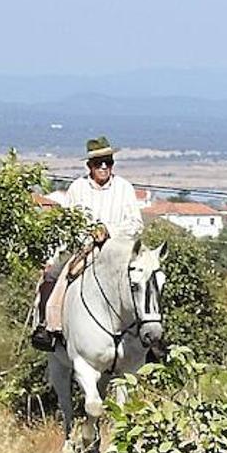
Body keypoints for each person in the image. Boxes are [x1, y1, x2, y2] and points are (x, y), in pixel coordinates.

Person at [30, 136, 144, 351]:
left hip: (117, 250)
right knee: (53, 275)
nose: (103, 167)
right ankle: (47, 326)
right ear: (89, 166)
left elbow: (136, 223)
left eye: (108, 162)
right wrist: (55, 254)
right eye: (98, 163)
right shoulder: (77, 188)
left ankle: (149, 335)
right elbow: (67, 225)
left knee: (146, 278)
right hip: (84, 248)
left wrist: (109, 230)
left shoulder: (124, 188)